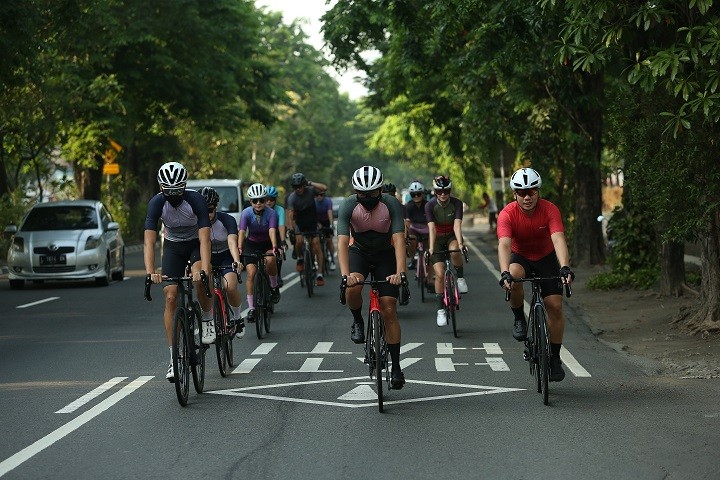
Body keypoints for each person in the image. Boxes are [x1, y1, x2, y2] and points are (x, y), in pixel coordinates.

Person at [497, 167, 575, 382]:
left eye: (531, 191)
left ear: (538, 191)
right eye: (521, 193)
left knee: (556, 306)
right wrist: (504, 273)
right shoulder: (507, 214)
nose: (527, 196)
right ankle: (519, 318)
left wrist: (564, 267)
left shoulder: (550, 210)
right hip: (521, 257)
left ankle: (554, 358)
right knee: (514, 275)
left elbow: (558, 238)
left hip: (546, 258)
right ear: (515, 194)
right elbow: (504, 244)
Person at [337, 165, 408, 389]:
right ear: (356, 192)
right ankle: (357, 320)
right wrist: (345, 275)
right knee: (353, 288)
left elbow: (398, 240)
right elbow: (341, 242)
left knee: (388, 309)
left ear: (380, 190)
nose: (367, 198)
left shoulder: (391, 204)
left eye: (372, 193)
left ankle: (396, 366)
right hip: (359, 252)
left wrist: (400, 273)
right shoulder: (348, 205)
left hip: (385, 255)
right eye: (362, 194)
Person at [144, 161, 214, 382]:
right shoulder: (156, 203)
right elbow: (149, 240)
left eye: (177, 191)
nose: (173, 196)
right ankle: (174, 358)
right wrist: (150, 271)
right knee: (171, 296)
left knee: (199, 277)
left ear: (184, 186)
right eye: (168, 191)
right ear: (161, 187)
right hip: (173, 246)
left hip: (195, 243)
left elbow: (205, 238)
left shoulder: (195, 200)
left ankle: (207, 318)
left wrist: (204, 268)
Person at [200, 187, 245, 339]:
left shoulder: (227, 220)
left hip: (227, 256)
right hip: (208, 258)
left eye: (210, 210)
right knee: (208, 287)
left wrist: (237, 260)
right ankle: (212, 318)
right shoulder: (196, 223)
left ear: (216, 207)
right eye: (203, 210)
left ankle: (237, 318)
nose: (207, 214)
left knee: (230, 287)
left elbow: (232, 242)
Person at [426, 175, 468, 326]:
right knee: (439, 273)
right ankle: (440, 310)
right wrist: (431, 248)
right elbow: (431, 228)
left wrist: (461, 243)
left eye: (446, 191)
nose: (443, 194)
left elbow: (457, 225)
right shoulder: (430, 205)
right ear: (435, 192)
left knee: (455, 249)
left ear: (450, 190)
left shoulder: (457, 203)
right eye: (439, 192)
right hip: (436, 239)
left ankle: (461, 278)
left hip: (451, 236)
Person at [238, 183, 281, 323]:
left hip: (267, 242)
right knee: (251, 273)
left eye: (261, 200)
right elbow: (242, 232)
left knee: (270, 260)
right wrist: (239, 248)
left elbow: (272, 230)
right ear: (250, 201)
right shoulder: (246, 213)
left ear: (265, 200)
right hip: (251, 244)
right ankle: (251, 308)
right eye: (254, 201)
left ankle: (274, 287)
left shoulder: (271, 213)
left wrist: (274, 246)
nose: (258, 203)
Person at [286, 172, 328, 286]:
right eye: (295, 187)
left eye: (300, 186)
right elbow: (290, 214)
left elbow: (324, 188)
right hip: (300, 224)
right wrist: (290, 228)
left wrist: (310, 183)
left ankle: (319, 274)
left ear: (304, 185)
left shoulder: (310, 191)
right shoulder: (292, 198)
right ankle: (300, 258)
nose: (298, 189)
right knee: (299, 241)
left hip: (312, 223)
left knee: (316, 245)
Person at [404, 181, 429, 271]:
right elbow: (407, 222)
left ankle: (429, 260)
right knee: (412, 239)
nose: (416, 196)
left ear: (422, 194)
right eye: (413, 194)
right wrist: (406, 235)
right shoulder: (408, 206)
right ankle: (412, 259)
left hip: (427, 229)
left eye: (418, 194)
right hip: (414, 228)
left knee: (429, 246)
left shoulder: (428, 205)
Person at [265, 186, 287, 287]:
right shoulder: (259, 208)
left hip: (276, 235)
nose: (269, 202)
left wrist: (283, 241)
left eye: (272, 199)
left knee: (279, 253)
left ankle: (277, 275)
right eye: (266, 199)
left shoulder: (280, 210)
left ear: (275, 200)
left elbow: (282, 226)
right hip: (262, 236)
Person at [314, 188, 336, 271]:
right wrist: (316, 224)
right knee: (316, 242)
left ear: (324, 195)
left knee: (329, 240)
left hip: (326, 220)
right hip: (317, 222)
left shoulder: (328, 201)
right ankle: (317, 260)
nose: (319, 197)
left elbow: (330, 212)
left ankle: (333, 260)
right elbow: (312, 215)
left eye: (321, 195)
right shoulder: (313, 202)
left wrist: (331, 224)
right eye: (317, 195)